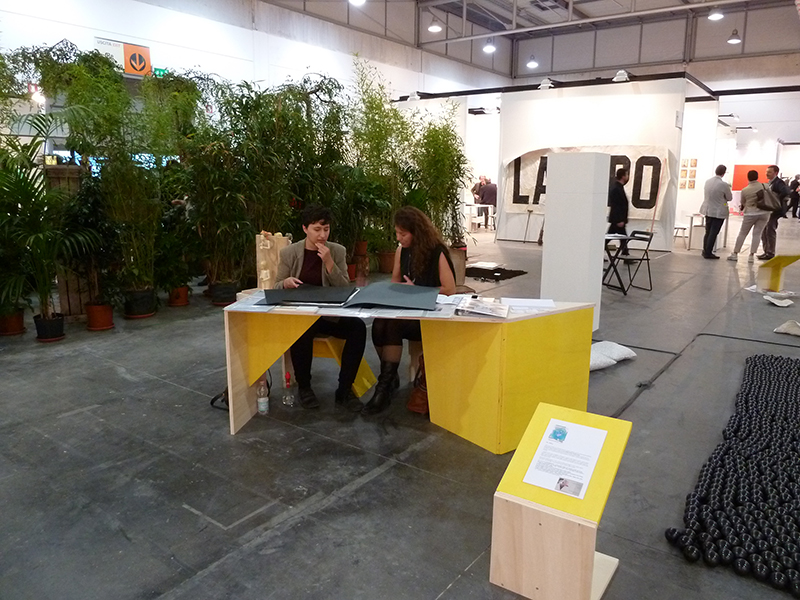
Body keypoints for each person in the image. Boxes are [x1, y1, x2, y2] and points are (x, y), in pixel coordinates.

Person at [362, 206, 457, 416]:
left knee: (393, 325)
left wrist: (418, 291)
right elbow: (395, 282)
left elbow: (450, 289)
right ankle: (389, 377)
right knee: (379, 323)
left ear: (417, 232)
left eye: (403, 234)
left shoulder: (437, 252)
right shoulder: (401, 251)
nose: (399, 238)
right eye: (397, 233)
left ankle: (384, 387)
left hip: (430, 315)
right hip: (408, 309)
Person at [275, 205, 366, 412]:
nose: (322, 235)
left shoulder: (337, 251)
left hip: (328, 315)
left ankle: (344, 389)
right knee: (302, 330)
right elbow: (276, 286)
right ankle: (305, 387)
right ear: (305, 228)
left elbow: (344, 287)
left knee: (358, 328)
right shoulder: (290, 253)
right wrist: (286, 282)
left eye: (326, 229)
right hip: (302, 314)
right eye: (317, 229)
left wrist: (329, 262)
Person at [727, 170, 770, 263]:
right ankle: (751, 255)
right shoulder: (765, 186)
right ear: (757, 177)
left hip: (750, 213)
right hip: (764, 213)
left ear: (748, 178)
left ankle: (735, 253)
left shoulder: (745, 190)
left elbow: (743, 202)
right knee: (757, 234)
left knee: (743, 233)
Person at [757, 165, 792, 260]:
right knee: (765, 230)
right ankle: (766, 251)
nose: (767, 174)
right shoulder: (771, 182)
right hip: (770, 210)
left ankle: (770, 252)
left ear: (775, 173)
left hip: (775, 211)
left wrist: (776, 200)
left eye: (769, 172)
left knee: (770, 230)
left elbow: (785, 192)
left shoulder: (779, 183)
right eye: (766, 172)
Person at [699, 165, 732, 260]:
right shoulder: (724, 185)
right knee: (714, 232)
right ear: (724, 173)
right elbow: (729, 198)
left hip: (708, 209)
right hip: (718, 211)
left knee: (708, 231)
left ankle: (705, 250)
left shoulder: (708, 181)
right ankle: (708, 252)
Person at [607, 168, 630, 257]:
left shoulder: (619, 187)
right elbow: (616, 206)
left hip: (618, 219)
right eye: (626, 175)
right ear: (623, 176)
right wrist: (619, 219)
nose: (627, 177)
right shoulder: (616, 189)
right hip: (617, 219)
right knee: (622, 237)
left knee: (622, 238)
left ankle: (625, 253)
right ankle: (625, 254)